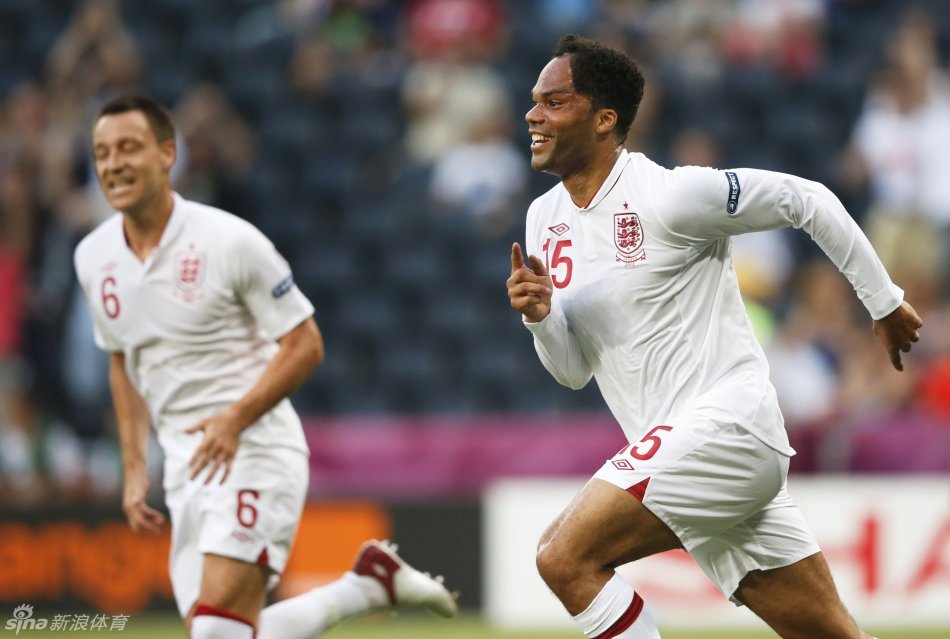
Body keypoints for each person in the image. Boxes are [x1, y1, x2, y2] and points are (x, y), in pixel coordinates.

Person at [506, 35, 922, 639]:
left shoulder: (671, 196)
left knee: (562, 557)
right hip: (680, 451)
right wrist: (541, 318)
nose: (533, 114)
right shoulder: (543, 220)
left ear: (604, 119)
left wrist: (883, 303)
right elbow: (573, 370)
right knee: (831, 634)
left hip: (728, 425)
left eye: (554, 101)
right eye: (534, 101)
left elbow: (809, 198)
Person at [74, 95, 457, 639]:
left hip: (255, 447)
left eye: (128, 148)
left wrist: (234, 419)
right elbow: (121, 359)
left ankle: (365, 588)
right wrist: (134, 466)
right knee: (226, 633)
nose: (113, 164)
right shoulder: (92, 257)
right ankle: (367, 587)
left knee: (214, 632)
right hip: (186, 465)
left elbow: (306, 344)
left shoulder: (229, 241)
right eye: (101, 153)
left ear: (167, 154)